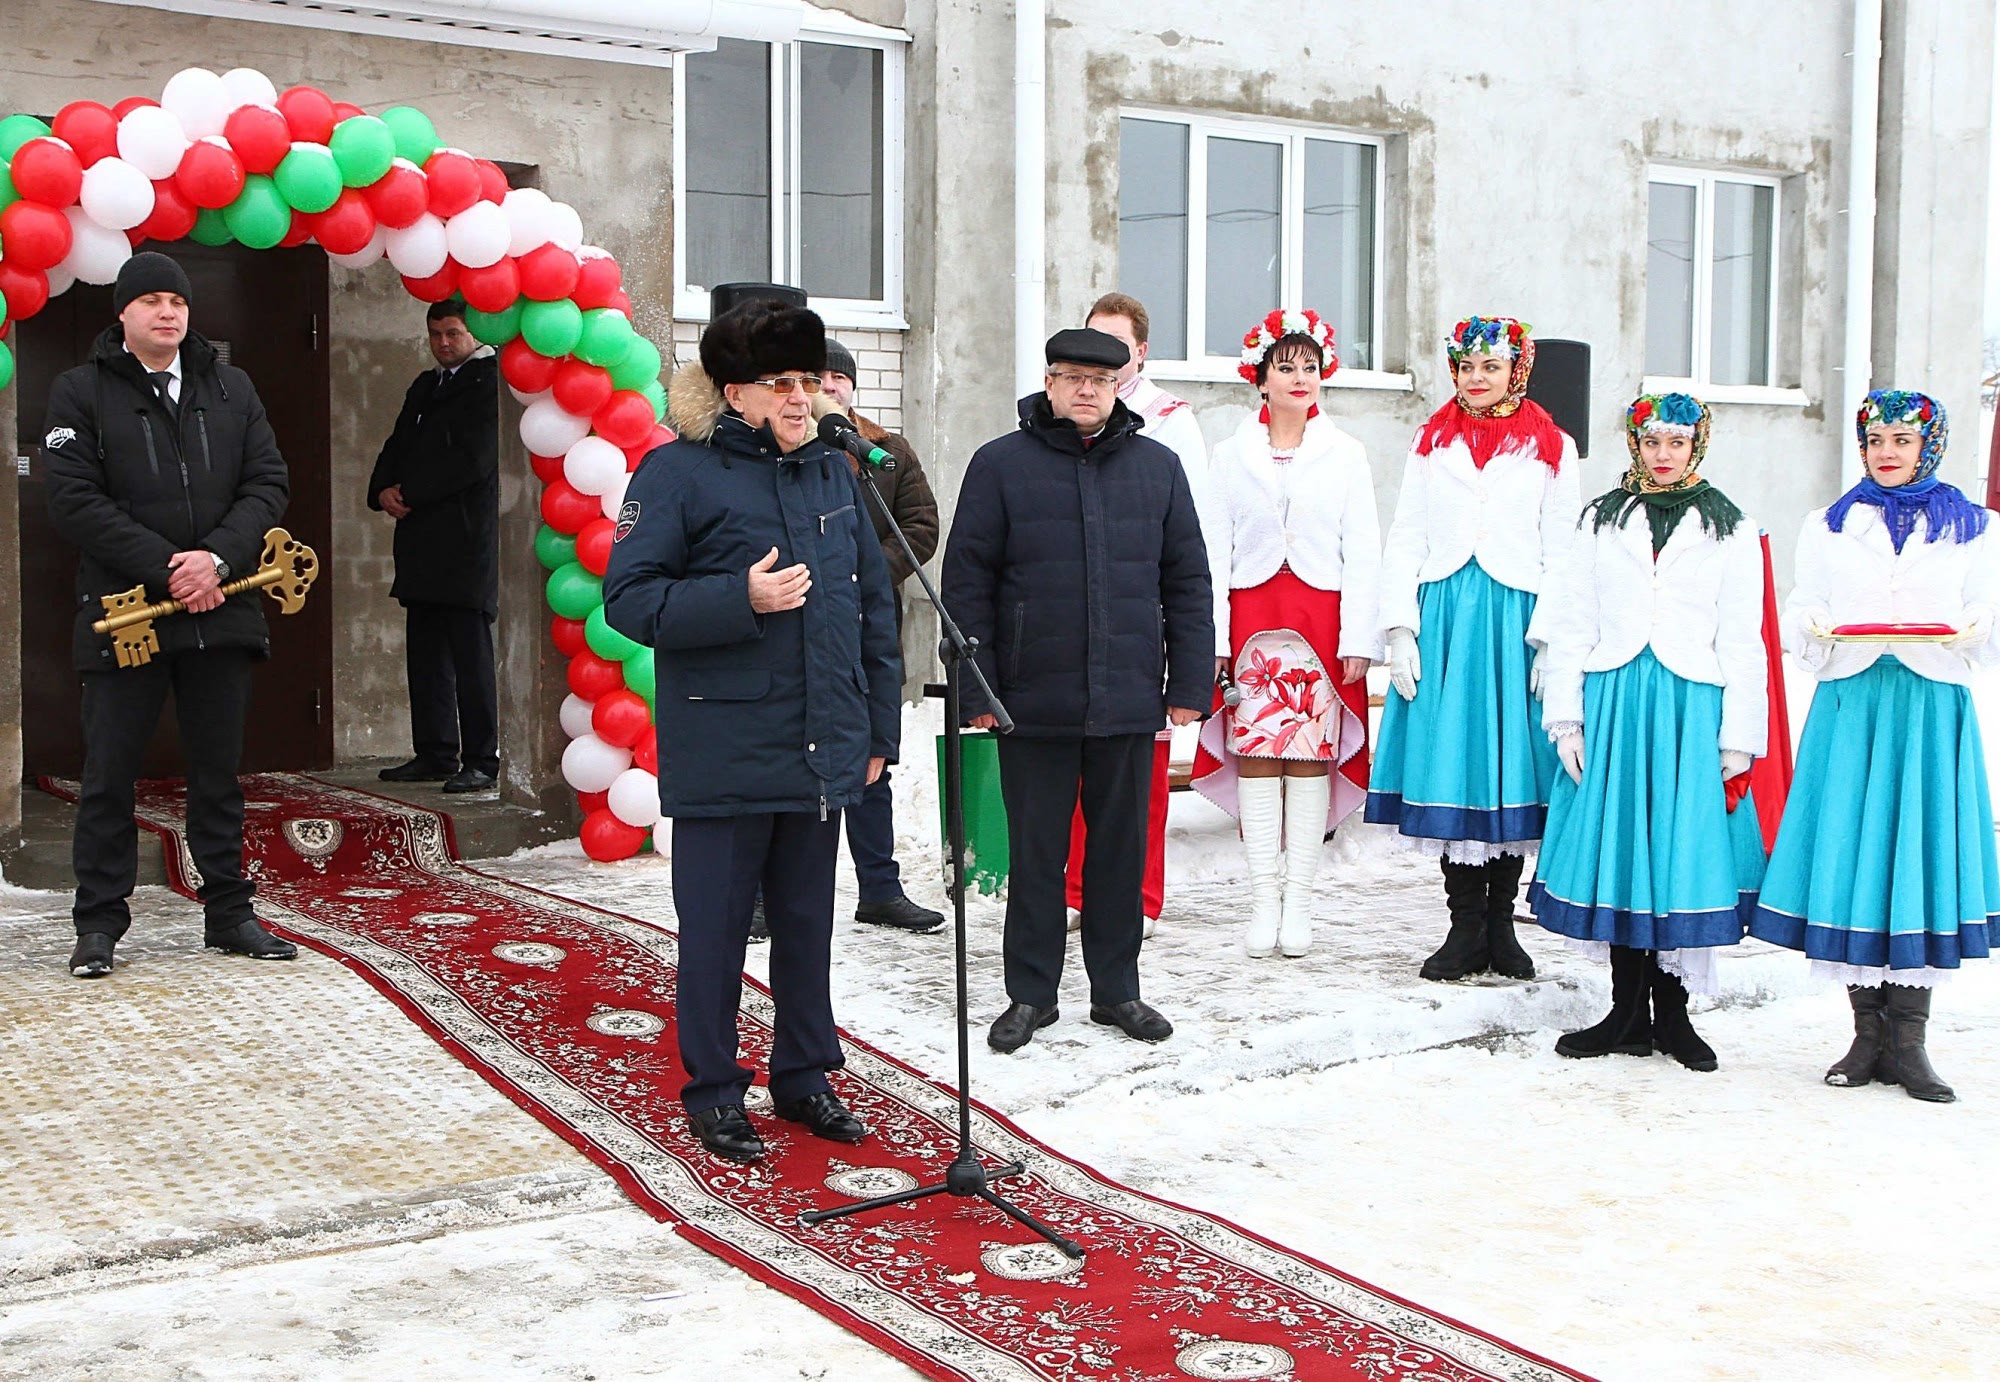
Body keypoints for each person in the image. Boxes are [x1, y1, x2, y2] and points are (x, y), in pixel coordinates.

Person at [603, 300, 901, 1162]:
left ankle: (805, 1075)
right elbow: (629, 599)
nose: (802, 399)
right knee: (718, 930)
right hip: (725, 747)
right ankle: (714, 1091)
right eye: (782, 384)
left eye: (811, 382)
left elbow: (871, 611)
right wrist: (740, 598)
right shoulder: (675, 475)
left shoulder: (834, 474)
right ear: (735, 393)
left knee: (808, 924)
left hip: (821, 745)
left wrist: (876, 728)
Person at [941, 327, 1213, 1054]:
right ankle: (1030, 996)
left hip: (1126, 699)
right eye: (1072, 377)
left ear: (1121, 386)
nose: (1086, 390)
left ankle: (1117, 990)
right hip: (1031, 701)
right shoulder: (1001, 465)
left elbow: (1187, 580)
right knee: (1036, 855)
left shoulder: (1158, 469)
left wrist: (1188, 680)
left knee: (1119, 854)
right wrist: (977, 691)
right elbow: (967, 585)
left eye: (1101, 379)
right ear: (1050, 384)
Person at [40, 251, 295, 977]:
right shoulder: (80, 392)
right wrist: (170, 567)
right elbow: (74, 500)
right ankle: (98, 924)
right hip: (129, 612)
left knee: (219, 772)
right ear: (122, 313)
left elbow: (267, 481)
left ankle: (228, 913)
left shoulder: (231, 387)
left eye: (177, 302)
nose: (168, 313)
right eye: (151, 300)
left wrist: (215, 559)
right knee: (110, 772)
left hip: (222, 607)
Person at [1750, 390, 2000, 1103]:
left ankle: (1910, 1042)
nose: (1887, 451)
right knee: (1856, 852)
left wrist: (1980, 622)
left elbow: (1993, 608)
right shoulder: (1829, 525)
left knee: (1915, 854)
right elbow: (1800, 609)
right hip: (1852, 702)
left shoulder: (1978, 528)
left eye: (1903, 438)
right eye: (1876, 439)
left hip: (1928, 703)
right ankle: (1865, 1035)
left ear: (1932, 444)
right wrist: (1816, 619)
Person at [1530, 393, 1768, 1071]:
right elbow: (1575, 621)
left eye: (1678, 443)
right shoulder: (1602, 519)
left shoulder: (1731, 525)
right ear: (1635, 444)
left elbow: (1742, 637)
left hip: (1690, 706)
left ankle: (1676, 1015)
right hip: (1617, 699)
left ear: (1698, 446)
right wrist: (1566, 718)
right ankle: (1626, 1010)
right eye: (1653, 442)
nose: (1664, 455)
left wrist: (1737, 738)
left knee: (1677, 856)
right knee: (1625, 853)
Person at [1368, 316, 1579, 983]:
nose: (1477, 378)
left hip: (1516, 619)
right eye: (1466, 366)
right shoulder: (1431, 440)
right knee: (1455, 760)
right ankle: (1463, 925)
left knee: (1509, 764)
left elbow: (1564, 548)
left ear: (1516, 368)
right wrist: (1400, 627)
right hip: (1448, 618)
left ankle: (1502, 925)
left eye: (1491, 365)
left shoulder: (1551, 445)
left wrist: (1551, 640)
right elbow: (1406, 534)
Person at [1190, 308, 1380, 959]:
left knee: (1309, 758)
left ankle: (1299, 899)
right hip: (1251, 623)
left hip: (1320, 625)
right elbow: (1212, 552)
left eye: (1309, 367)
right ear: (1260, 377)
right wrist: (1211, 637)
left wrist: (1360, 636)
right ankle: (1262, 900)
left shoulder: (1347, 454)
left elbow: (1365, 551)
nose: (1300, 378)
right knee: (1259, 754)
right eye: (1285, 367)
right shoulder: (1228, 455)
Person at [1061, 292, 1210, 940]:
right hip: (1076, 616)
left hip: (1140, 618)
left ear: (1141, 353)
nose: (1102, 359)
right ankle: (1074, 890)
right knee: (1071, 763)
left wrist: (1197, 654)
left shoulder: (1171, 420)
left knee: (1139, 773)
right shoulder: (1068, 412)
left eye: (1116, 347)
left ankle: (1141, 894)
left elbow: (1193, 539)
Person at [816, 339, 945, 935]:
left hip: (871, 625)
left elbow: (920, 527)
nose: (828, 388)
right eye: (817, 378)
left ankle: (880, 888)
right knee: (796, 760)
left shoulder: (886, 452)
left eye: (838, 377)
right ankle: (769, 896)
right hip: (797, 620)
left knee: (873, 758)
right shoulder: (786, 452)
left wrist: (867, 575)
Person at [367, 298, 502, 793]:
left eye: (453, 334)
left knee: (470, 656)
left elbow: (475, 461)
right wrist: (382, 488)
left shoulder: (488, 384)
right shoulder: (425, 386)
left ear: (474, 334)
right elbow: (397, 444)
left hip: (466, 540)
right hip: (422, 542)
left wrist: (413, 492)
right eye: (436, 334)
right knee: (425, 654)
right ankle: (435, 751)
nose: (444, 343)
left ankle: (482, 759)